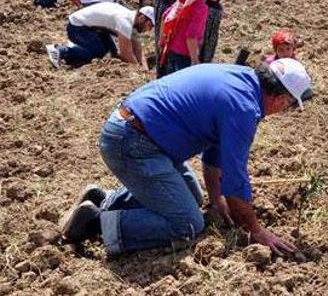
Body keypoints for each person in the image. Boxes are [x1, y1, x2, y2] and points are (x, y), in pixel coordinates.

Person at [59, 59, 313, 258]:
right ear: (281, 99)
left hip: (136, 133)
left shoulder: (239, 79)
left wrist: (215, 200)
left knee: (193, 196)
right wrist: (256, 230)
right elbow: (235, 177)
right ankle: (95, 224)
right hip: (133, 144)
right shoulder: (244, 107)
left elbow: (216, 154)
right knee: (188, 224)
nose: (284, 111)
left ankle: (102, 200)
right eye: (289, 105)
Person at [159, 0, 227, 76]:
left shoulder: (186, 1)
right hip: (184, 55)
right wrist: (194, 60)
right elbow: (191, 37)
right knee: (182, 84)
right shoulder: (200, 9)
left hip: (172, 49)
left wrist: (162, 40)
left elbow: (165, 16)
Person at [45, 3, 154, 69]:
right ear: (142, 18)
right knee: (95, 54)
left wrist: (144, 69)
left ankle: (77, 50)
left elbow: (138, 49)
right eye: (149, 26)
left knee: (110, 52)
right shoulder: (125, 21)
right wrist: (138, 71)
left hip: (95, 28)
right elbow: (126, 54)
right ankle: (60, 51)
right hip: (77, 27)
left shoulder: (132, 19)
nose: (148, 30)